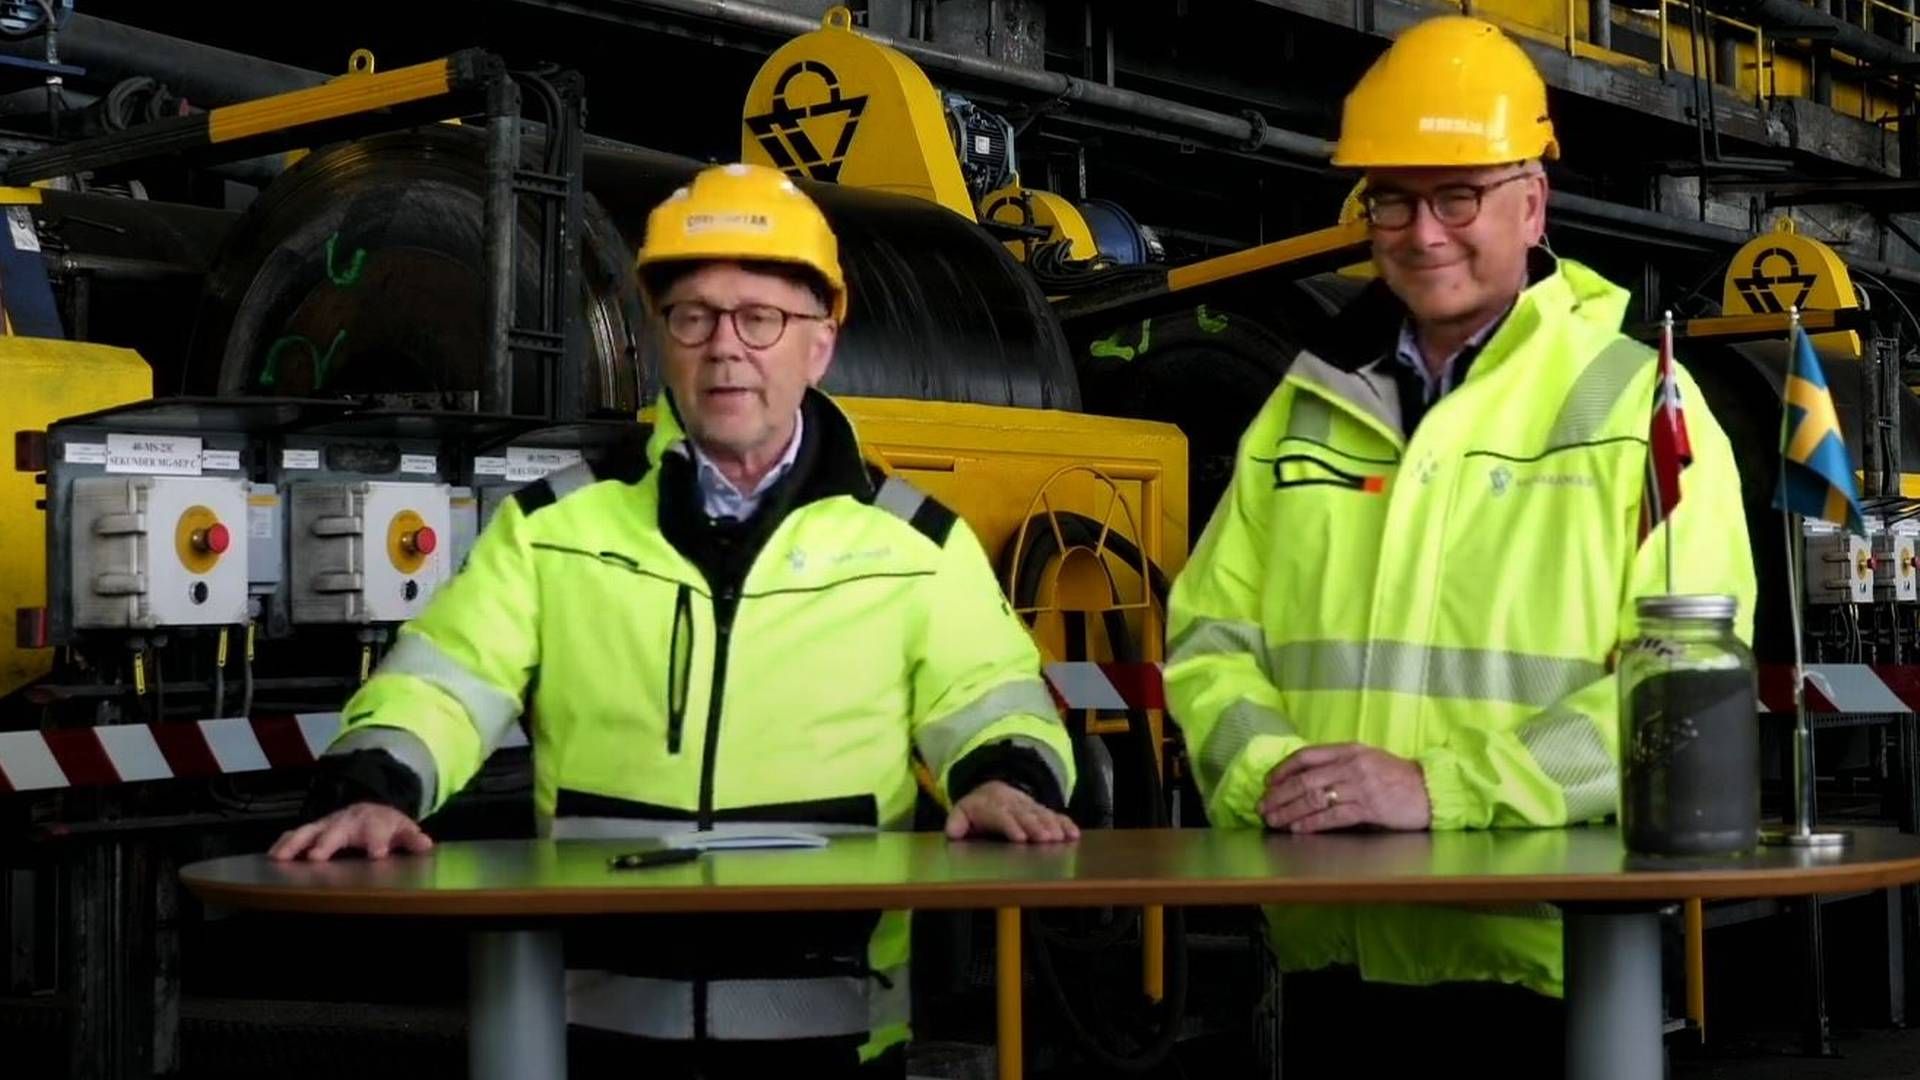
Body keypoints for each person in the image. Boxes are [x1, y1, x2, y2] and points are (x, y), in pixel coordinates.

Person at [270, 162, 1079, 1079]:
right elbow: (443, 684)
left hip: (835, 1046)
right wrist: (372, 788)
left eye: (761, 317)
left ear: (820, 343)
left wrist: (1007, 779)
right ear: (661, 340)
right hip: (600, 1040)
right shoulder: (550, 533)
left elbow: (991, 698)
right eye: (695, 316)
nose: (726, 347)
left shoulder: (916, 549)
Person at [1162, 15, 1756, 1075]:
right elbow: (1210, 637)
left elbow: (1687, 690)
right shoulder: (1301, 411)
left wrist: (1446, 789)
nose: (1422, 233)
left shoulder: (1640, 408)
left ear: (1533, 200)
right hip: (1326, 957)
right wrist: (1275, 777)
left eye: (1457, 197)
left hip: (1551, 966)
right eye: (1392, 197)